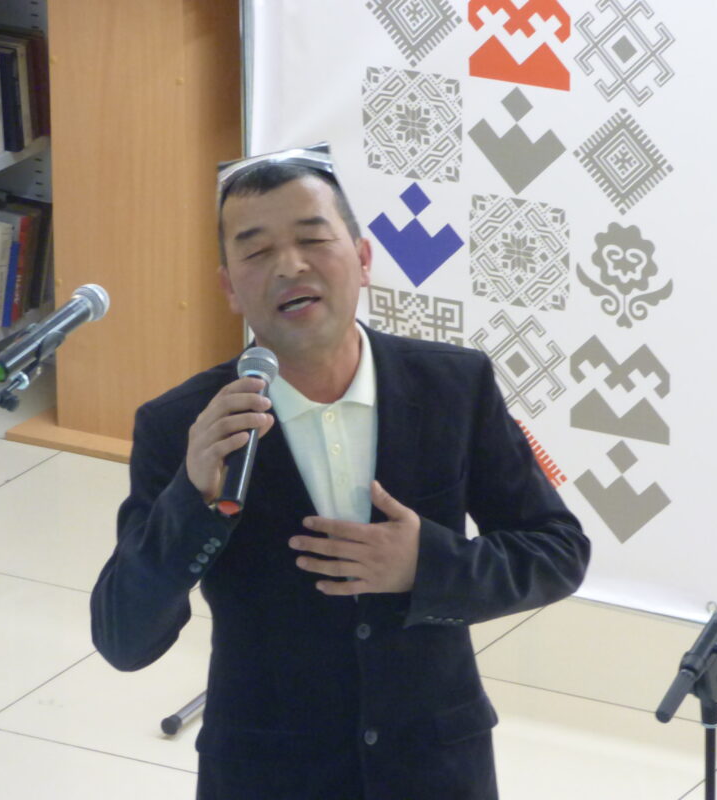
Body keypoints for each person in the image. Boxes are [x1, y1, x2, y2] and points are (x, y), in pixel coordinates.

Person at [91, 144, 590, 799]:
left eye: (312, 239)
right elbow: (124, 639)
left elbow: (556, 552)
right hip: (268, 775)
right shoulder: (184, 426)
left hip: (435, 767)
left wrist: (428, 565)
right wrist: (189, 498)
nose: (289, 266)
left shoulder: (453, 386)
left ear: (362, 258)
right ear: (229, 287)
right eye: (256, 250)